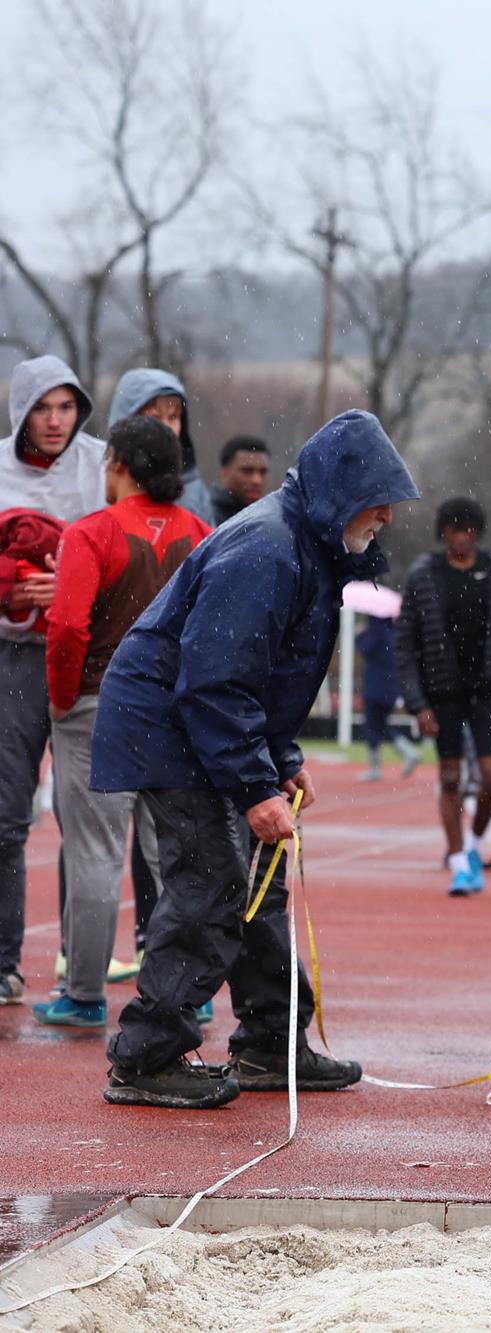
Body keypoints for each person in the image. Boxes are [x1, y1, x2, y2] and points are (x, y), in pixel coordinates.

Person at [91, 409, 418, 1109]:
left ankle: (272, 1039)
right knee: (210, 883)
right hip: (168, 726)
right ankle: (146, 1057)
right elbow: (214, 681)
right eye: (378, 498)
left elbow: (271, 672)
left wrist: (278, 759)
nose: (388, 514)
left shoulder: (309, 545)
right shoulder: (267, 548)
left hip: (200, 722)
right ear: (340, 490)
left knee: (262, 881)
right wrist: (253, 783)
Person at [35, 416, 210, 1028]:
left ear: (119, 464)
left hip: (97, 705)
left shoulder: (92, 533)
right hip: (177, 712)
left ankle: (84, 995)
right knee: (175, 855)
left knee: (96, 854)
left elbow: (66, 627)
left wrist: (61, 699)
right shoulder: (203, 534)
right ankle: (190, 988)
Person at [0, 356, 106, 1006]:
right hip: (12, 659)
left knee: (83, 818)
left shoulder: (100, 463)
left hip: (85, 658)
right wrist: (11, 585)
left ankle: (80, 965)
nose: (54, 421)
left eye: (66, 407)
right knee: (8, 818)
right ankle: (4, 961)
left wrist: (68, 583)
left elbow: (120, 552)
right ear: (22, 410)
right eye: (43, 407)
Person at [396, 497, 491, 897]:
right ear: (444, 532)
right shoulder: (425, 575)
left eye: (469, 530)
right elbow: (405, 645)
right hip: (443, 692)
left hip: (488, 689)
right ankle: (458, 861)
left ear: (477, 532)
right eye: (455, 530)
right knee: (451, 776)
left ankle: (473, 843)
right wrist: (417, 702)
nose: (462, 538)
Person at [107, 368, 215, 525]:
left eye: (173, 417)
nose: (166, 428)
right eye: (154, 418)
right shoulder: (96, 476)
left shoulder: (193, 490)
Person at [356, 612, 419, 782]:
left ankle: (377, 767)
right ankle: (407, 751)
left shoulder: (377, 629)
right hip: (389, 688)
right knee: (380, 725)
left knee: (374, 725)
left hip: (376, 687)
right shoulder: (393, 631)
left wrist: (360, 634)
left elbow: (366, 647)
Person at [211, 435, 271, 524]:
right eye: (247, 471)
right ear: (224, 473)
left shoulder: (271, 519)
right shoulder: (207, 517)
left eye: (263, 472)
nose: (257, 480)